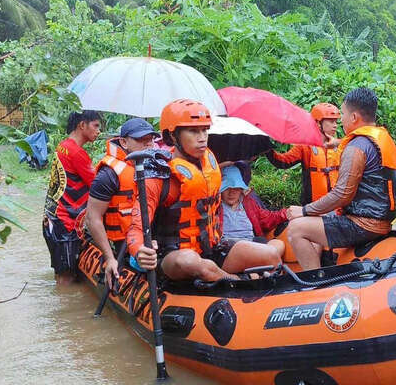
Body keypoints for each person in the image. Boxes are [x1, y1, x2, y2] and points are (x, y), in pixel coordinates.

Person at [127, 99, 281, 282]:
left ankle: (238, 282)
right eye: (193, 131)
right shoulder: (160, 177)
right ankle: (236, 281)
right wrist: (139, 250)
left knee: (270, 254)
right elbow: (136, 227)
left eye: (204, 130)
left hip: (211, 249)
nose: (202, 137)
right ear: (173, 136)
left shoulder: (209, 162)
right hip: (173, 256)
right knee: (191, 261)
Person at [285, 88, 396, 270]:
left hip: (363, 224)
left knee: (296, 229)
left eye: (343, 114)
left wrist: (305, 210)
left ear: (354, 117)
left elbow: (342, 195)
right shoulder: (381, 137)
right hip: (382, 220)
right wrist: (338, 143)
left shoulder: (356, 147)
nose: (341, 121)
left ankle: (315, 282)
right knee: (321, 214)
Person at [85, 118, 157, 290]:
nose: (148, 145)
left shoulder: (155, 166)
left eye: (151, 139)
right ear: (124, 142)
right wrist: (110, 258)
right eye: (141, 140)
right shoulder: (109, 174)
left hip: (146, 235)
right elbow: (92, 218)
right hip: (122, 244)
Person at [43, 110, 102, 285]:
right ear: (82, 125)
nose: (98, 131)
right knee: (66, 278)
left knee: (61, 272)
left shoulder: (63, 146)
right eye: (96, 125)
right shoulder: (77, 153)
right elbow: (98, 186)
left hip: (52, 219)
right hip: (66, 223)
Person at [265, 102, 342, 205]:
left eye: (336, 122)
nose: (335, 126)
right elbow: (283, 161)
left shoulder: (340, 145)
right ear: (318, 123)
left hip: (337, 207)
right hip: (313, 207)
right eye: (331, 121)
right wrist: (266, 147)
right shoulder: (305, 147)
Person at [218, 165, 287, 258]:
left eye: (236, 188)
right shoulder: (214, 206)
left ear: (241, 189)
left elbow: (267, 218)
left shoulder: (248, 202)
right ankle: (262, 265)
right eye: (227, 188)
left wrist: (287, 213)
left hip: (252, 243)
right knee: (254, 250)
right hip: (229, 247)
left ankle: (260, 264)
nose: (231, 193)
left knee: (278, 244)